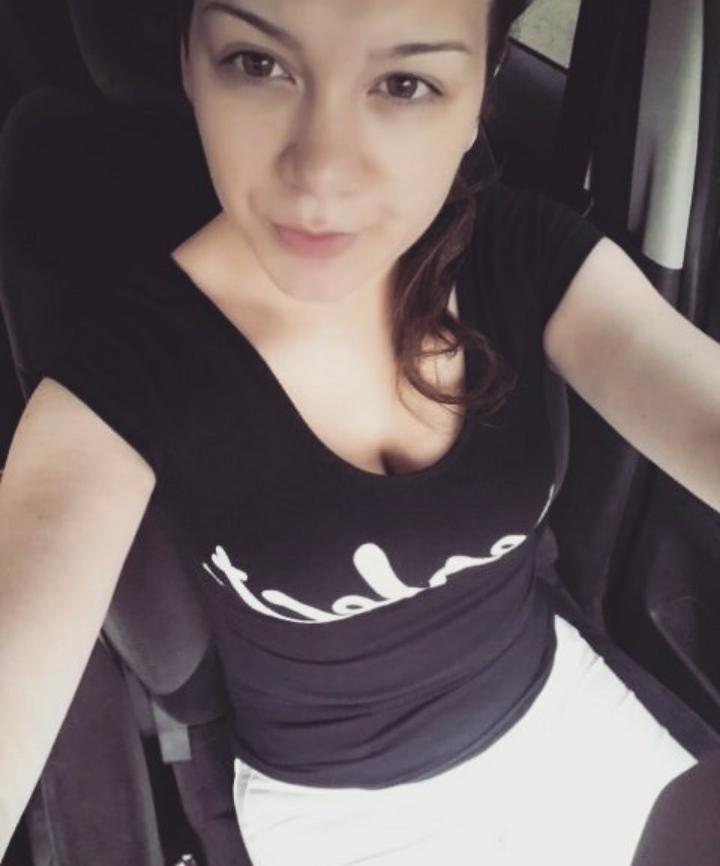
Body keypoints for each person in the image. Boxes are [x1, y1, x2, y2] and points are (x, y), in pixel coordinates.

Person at [1, 0, 719, 863]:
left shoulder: (527, 256)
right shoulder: (123, 371)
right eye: (258, 64)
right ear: (189, 59)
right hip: (337, 814)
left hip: (564, 720)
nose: (322, 174)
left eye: (405, 83)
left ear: (479, 94)